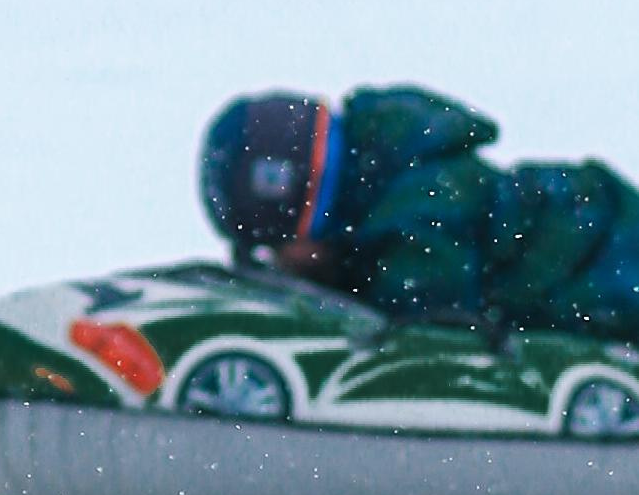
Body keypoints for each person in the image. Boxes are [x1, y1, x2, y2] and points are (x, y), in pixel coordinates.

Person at [198, 85, 639, 342]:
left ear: (312, 212)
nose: (280, 264)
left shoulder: (421, 217)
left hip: (607, 259)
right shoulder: (398, 194)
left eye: (278, 246)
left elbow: (426, 347)